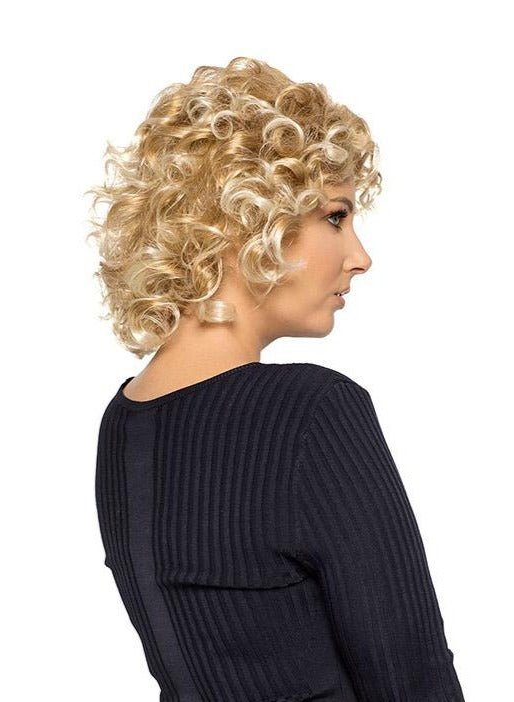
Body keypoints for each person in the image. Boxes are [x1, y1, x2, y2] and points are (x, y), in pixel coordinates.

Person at [87, 56, 465, 701]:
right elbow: (409, 675)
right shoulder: (310, 412)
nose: (360, 257)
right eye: (336, 216)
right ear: (246, 218)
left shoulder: (123, 422)